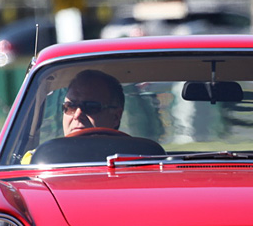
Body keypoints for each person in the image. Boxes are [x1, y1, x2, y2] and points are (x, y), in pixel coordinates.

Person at [24, 69, 164, 163]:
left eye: (90, 107)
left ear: (116, 116)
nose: (77, 115)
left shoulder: (142, 160)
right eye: (70, 107)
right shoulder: (35, 161)